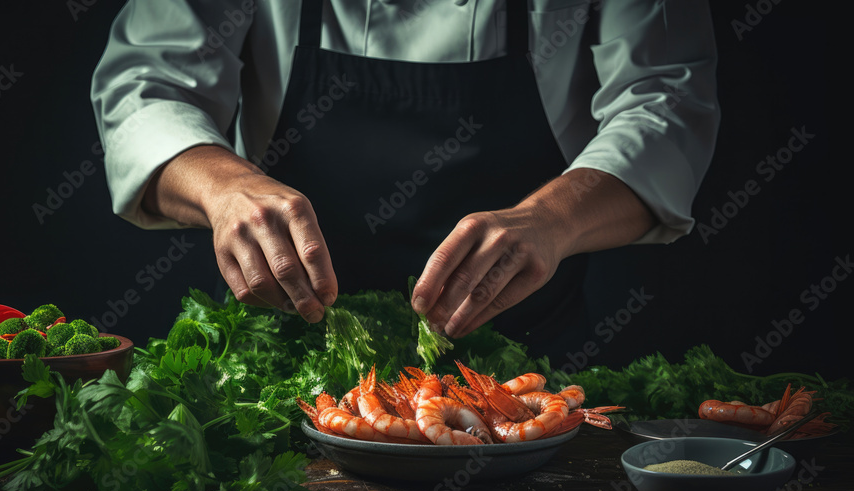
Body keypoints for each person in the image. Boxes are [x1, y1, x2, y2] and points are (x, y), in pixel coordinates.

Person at [90, 0, 719, 360]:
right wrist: (223, 186)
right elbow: (145, 86)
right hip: (282, 367)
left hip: (531, 368)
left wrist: (553, 220)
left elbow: (666, 104)